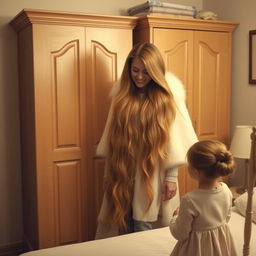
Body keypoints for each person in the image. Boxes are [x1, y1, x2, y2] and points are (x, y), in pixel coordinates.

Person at [95, 42, 198, 239]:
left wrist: (171, 177)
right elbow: (112, 142)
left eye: (146, 71)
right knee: (121, 224)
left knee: (145, 226)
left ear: (155, 71)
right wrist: (109, 174)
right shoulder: (121, 98)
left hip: (154, 173)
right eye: (135, 70)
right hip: (122, 172)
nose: (139, 76)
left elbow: (175, 143)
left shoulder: (168, 99)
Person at [169, 140, 237, 256]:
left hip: (197, 248)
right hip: (221, 242)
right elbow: (227, 217)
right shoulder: (226, 190)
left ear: (195, 172)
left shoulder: (190, 200)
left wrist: (175, 217)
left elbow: (180, 233)